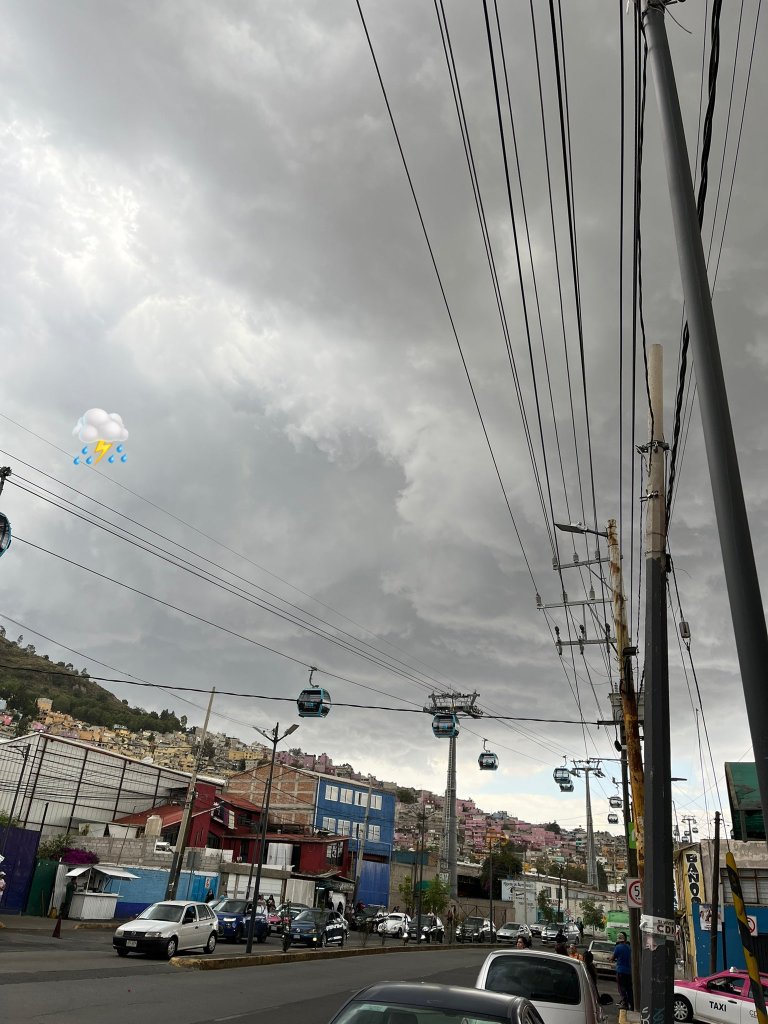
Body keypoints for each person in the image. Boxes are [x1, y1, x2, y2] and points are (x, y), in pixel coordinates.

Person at [612, 931, 634, 1010]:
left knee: (621, 988)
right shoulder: (629, 947)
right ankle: (631, 1003)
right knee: (629, 988)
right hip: (629, 971)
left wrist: (611, 959)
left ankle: (624, 1003)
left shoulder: (618, 947)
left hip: (620, 971)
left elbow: (613, 958)